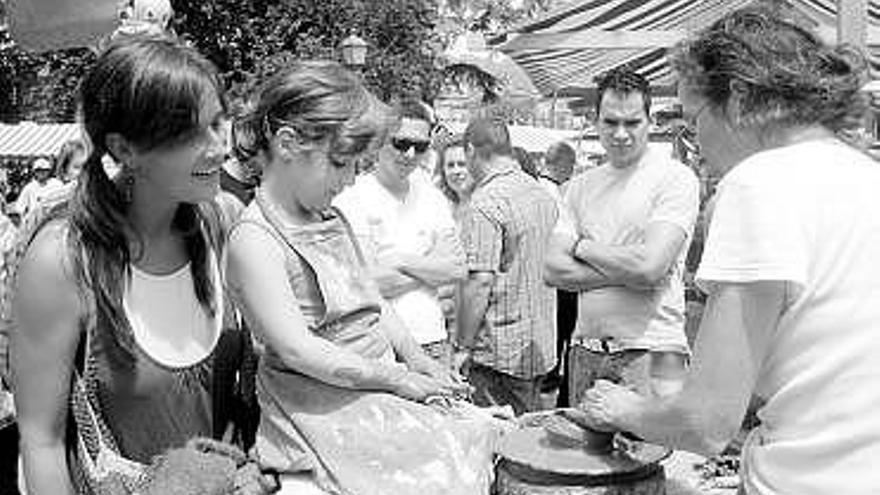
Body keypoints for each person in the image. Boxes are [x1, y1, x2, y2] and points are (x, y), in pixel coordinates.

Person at [577, 7, 880, 494]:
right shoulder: (866, 175)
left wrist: (623, 408)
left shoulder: (758, 184)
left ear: (738, 99)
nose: (695, 141)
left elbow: (706, 423)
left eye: (694, 120)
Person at [227, 61, 495, 495]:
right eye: (340, 164)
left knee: (483, 444)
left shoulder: (331, 218)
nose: (351, 180)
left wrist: (419, 359)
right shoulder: (254, 239)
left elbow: (373, 300)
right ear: (288, 143)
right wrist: (400, 379)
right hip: (314, 420)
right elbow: (300, 349)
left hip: (371, 399)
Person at [10, 37, 258, 494]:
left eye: (217, 124)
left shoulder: (223, 221)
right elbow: (40, 441)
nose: (217, 148)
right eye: (189, 132)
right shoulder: (63, 260)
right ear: (124, 148)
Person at [544, 67, 699, 409]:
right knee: (583, 458)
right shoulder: (580, 186)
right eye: (611, 122)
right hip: (585, 350)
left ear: (649, 121)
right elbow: (553, 270)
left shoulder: (676, 178)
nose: (621, 133)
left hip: (657, 351)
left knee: (650, 454)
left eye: (632, 123)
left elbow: (649, 268)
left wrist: (583, 248)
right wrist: (631, 270)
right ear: (595, 120)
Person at [334, 99, 465, 365]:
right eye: (401, 143)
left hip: (433, 339)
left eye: (420, 147)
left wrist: (400, 261)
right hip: (378, 344)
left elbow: (457, 270)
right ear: (380, 142)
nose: (410, 154)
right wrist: (431, 270)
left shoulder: (433, 197)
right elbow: (366, 283)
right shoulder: (353, 197)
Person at [455, 117, 558, 415]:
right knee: (526, 439)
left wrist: (462, 346)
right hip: (540, 346)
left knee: (498, 447)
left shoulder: (486, 203)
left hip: (498, 354)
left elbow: (480, 283)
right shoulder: (540, 194)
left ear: (471, 151)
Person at [539, 140, 578, 402]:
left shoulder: (538, 190)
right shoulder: (553, 196)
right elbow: (569, 240)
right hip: (558, 278)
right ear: (565, 165)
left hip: (544, 277)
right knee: (562, 331)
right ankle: (551, 374)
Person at [435, 134, 475, 221]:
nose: (456, 171)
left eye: (462, 164)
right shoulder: (442, 208)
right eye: (450, 165)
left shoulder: (487, 207)